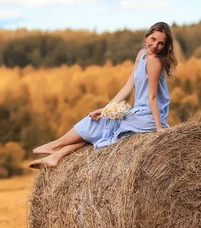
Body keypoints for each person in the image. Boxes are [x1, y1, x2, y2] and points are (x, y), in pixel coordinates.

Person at [28, 21, 178, 169]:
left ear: (165, 47)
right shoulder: (142, 55)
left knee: (100, 125)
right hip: (139, 113)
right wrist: (106, 109)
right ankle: (56, 156)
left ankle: (57, 145)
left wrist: (159, 130)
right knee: (100, 127)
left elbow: (152, 97)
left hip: (149, 118)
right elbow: (128, 86)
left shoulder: (154, 62)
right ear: (146, 37)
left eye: (161, 43)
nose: (155, 45)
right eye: (153, 39)